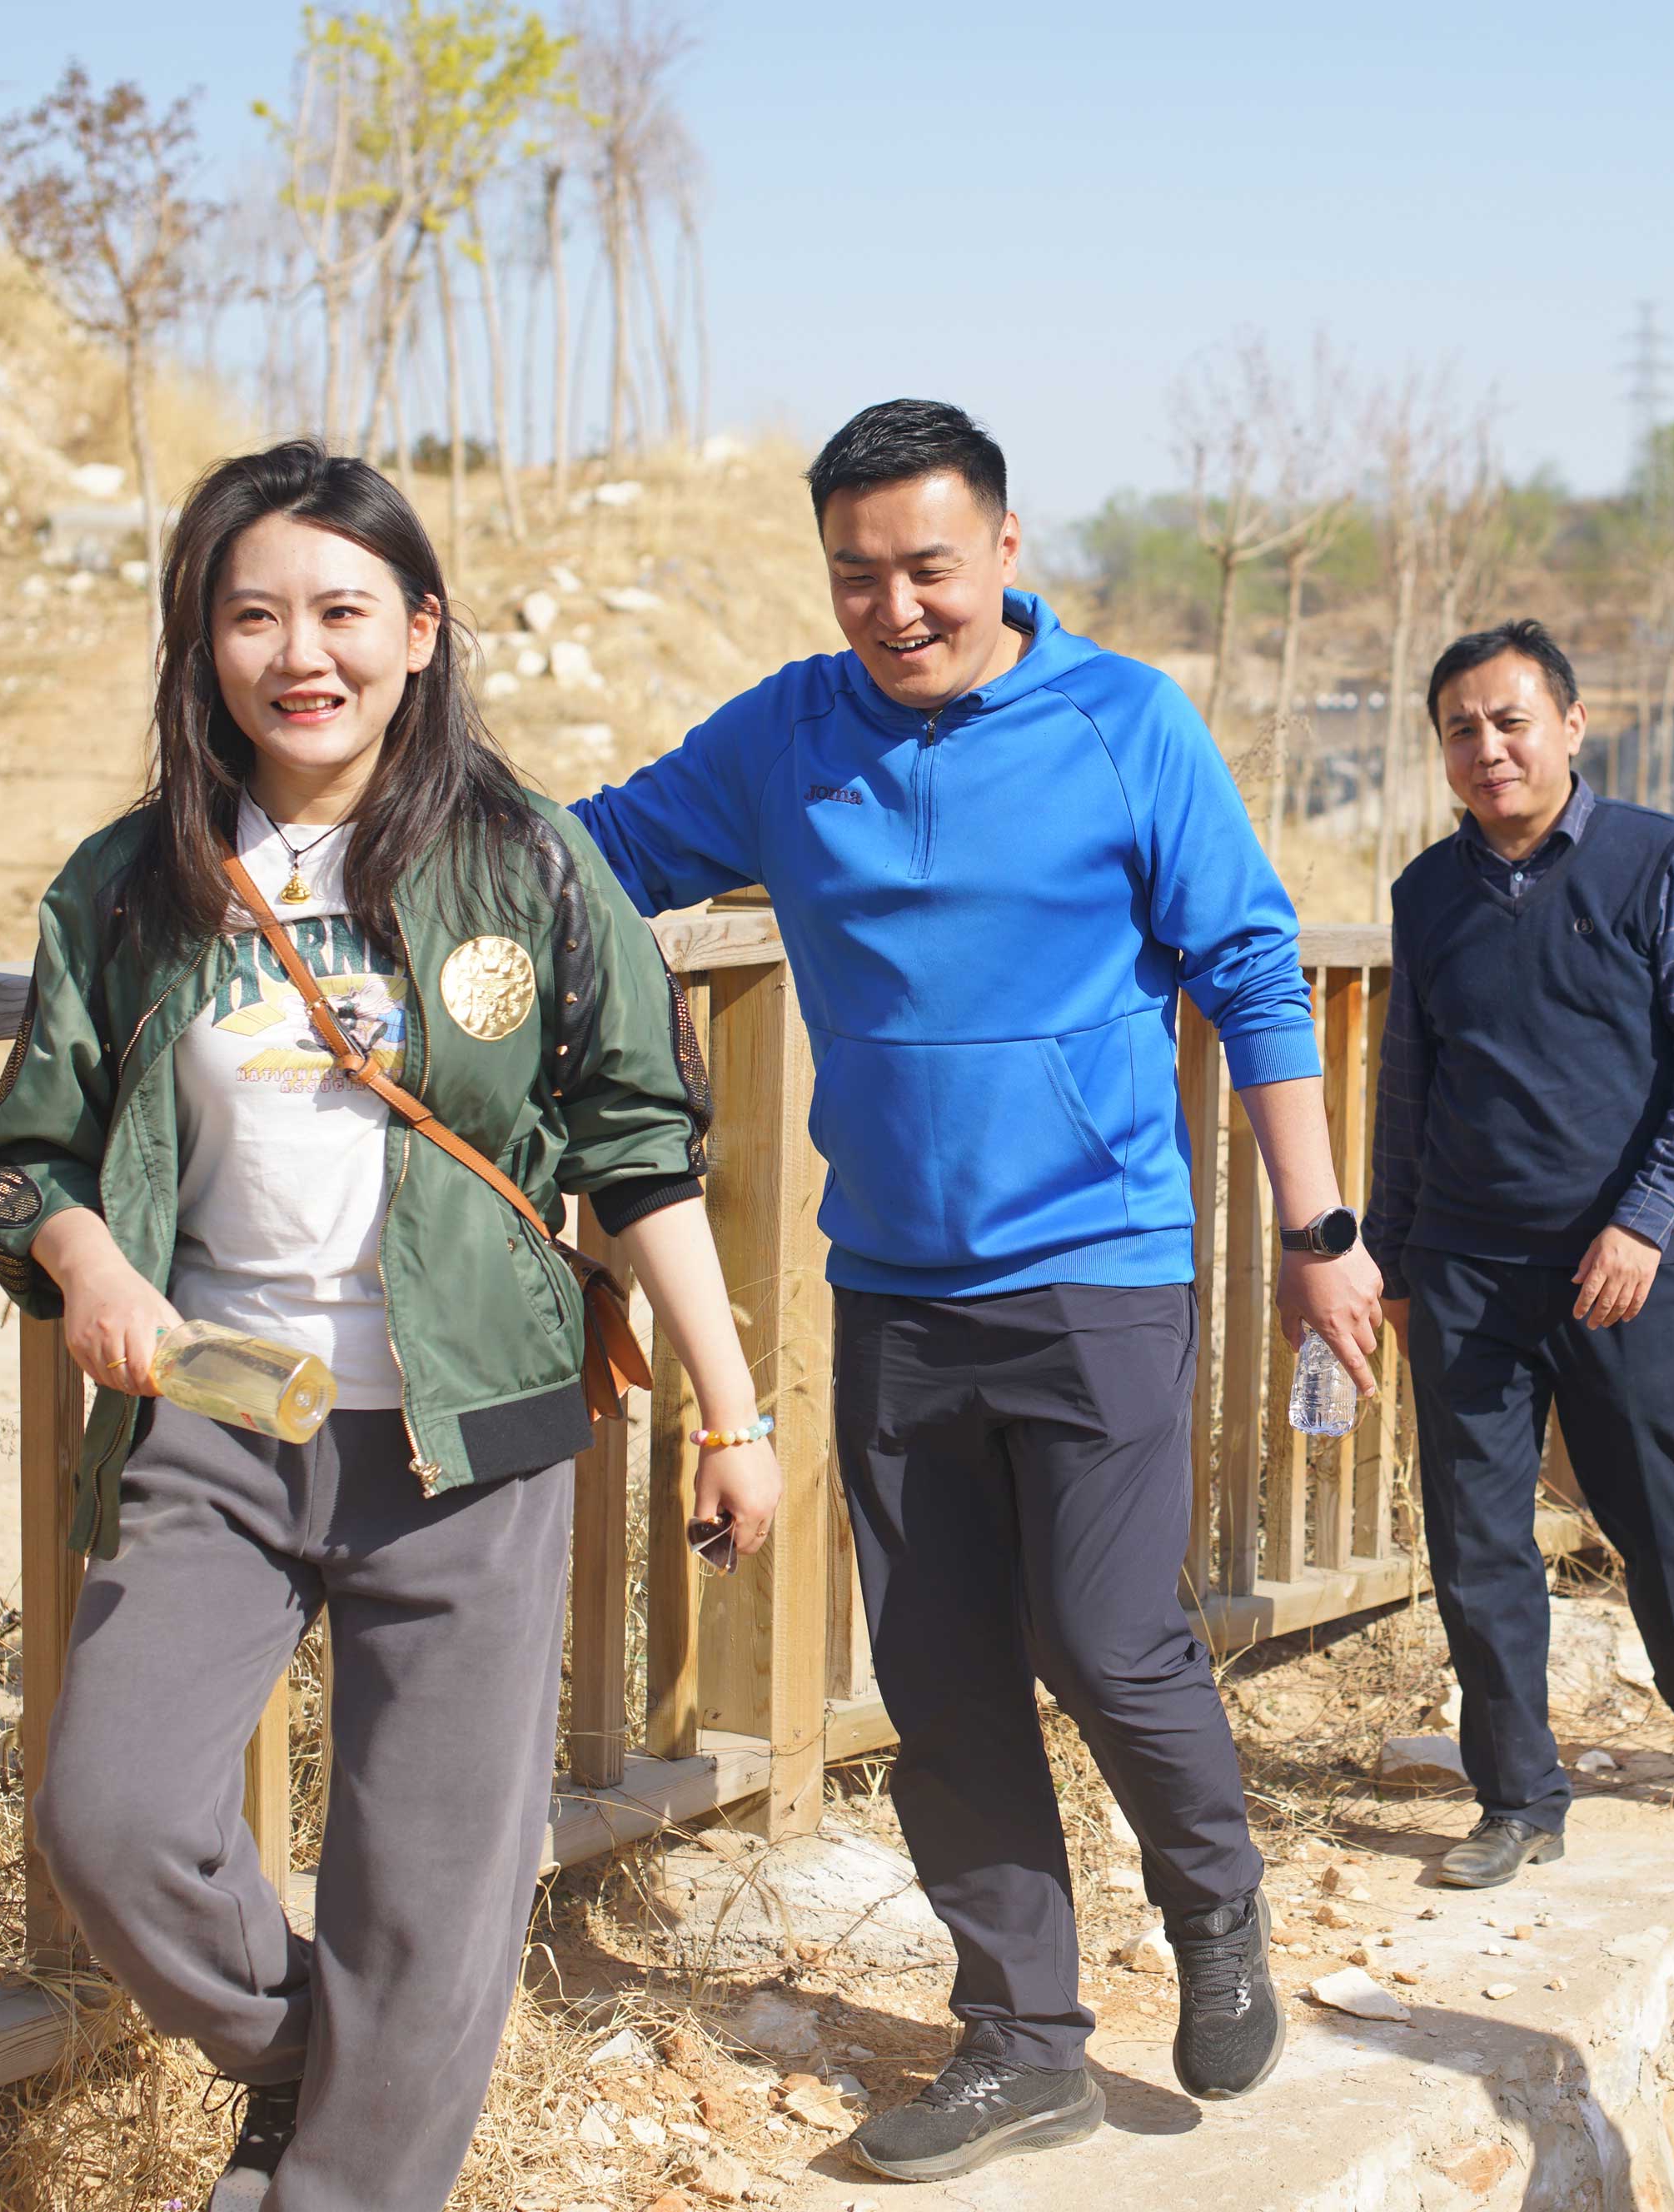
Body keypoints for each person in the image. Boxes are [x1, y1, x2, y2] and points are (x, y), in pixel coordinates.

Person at [0, 443, 779, 2212]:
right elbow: (24, 1153)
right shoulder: (132, 882)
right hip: (222, 1410)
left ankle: (338, 2176)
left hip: (471, 1434)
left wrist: (731, 1409)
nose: (299, 652)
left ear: (420, 629)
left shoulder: (528, 862)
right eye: (253, 615)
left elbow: (638, 1147)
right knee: (111, 1812)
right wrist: (92, 1265)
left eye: (341, 610)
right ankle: (308, 2053)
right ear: (203, 639)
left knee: (430, 1892)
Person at [569, 400, 1379, 2181]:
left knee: (1104, 1634)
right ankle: (1023, 2039)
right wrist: (366, 847)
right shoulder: (787, 734)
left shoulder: (1124, 724)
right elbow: (596, 852)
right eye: (854, 575)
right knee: (937, 1674)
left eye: (926, 567)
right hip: (893, 1283)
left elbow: (1253, 970)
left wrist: (1319, 1231)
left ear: (1006, 550)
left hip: (1098, 1263)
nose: (894, 607)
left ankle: (1212, 1896)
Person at [1363, 618, 1674, 1893]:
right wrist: (1393, 1258)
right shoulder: (1428, 894)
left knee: (1657, 1507)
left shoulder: (1662, 863)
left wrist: (1647, 1220)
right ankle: (1519, 1796)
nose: (1487, 748)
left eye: (1510, 721)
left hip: (1620, 1263)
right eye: (1460, 730)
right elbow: (1408, 1086)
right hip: (1468, 1264)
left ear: (1572, 726)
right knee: (1477, 1536)